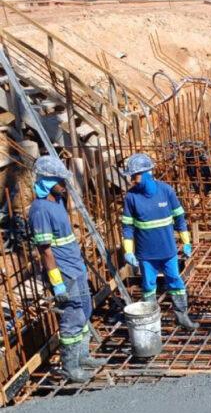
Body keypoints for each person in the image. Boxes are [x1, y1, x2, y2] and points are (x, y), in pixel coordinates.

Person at [29, 155, 105, 383]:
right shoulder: (40, 210)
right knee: (72, 318)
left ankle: (82, 356)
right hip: (64, 273)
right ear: (47, 182)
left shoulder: (58, 202)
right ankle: (70, 367)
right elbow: (45, 251)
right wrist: (57, 283)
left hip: (76, 268)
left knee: (84, 310)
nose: (65, 184)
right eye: (60, 181)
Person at [121, 153, 199, 330]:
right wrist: (128, 251)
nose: (133, 180)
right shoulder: (131, 198)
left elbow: (179, 218)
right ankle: (151, 324)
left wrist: (186, 241)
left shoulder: (166, 191)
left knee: (175, 282)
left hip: (168, 251)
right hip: (146, 255)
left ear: (148, 173)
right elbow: (127, 227)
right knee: (148, 286)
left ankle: (182, 316)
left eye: (135, 175)